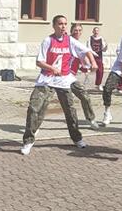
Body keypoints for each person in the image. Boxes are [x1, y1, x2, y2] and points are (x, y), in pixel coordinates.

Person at [21, 15, 96, 155]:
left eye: (65, 24)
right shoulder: (48, 41)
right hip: (46, 79)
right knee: (34, 108)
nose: (63, 27)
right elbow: (39, 62)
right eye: (60, 24)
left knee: (70, 110)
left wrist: (93, 63)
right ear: (54, 26)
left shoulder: (70, 41)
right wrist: (52, 68)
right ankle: (28, 141)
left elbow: (86, 51)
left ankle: (77, 138)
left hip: (64, 80)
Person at [69, 23, 100, 129]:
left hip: (70, 78)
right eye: (75, 30)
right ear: (71, 31)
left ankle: (91, 119)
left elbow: (81, 60)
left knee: (85, 96)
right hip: (57, 76)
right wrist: (93, 62)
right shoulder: (68, 41)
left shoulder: (78, 44)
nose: (77, 32)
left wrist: (88, 68)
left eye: (79, 30)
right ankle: (34, 126)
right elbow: (88, 52)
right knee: (44, 100)